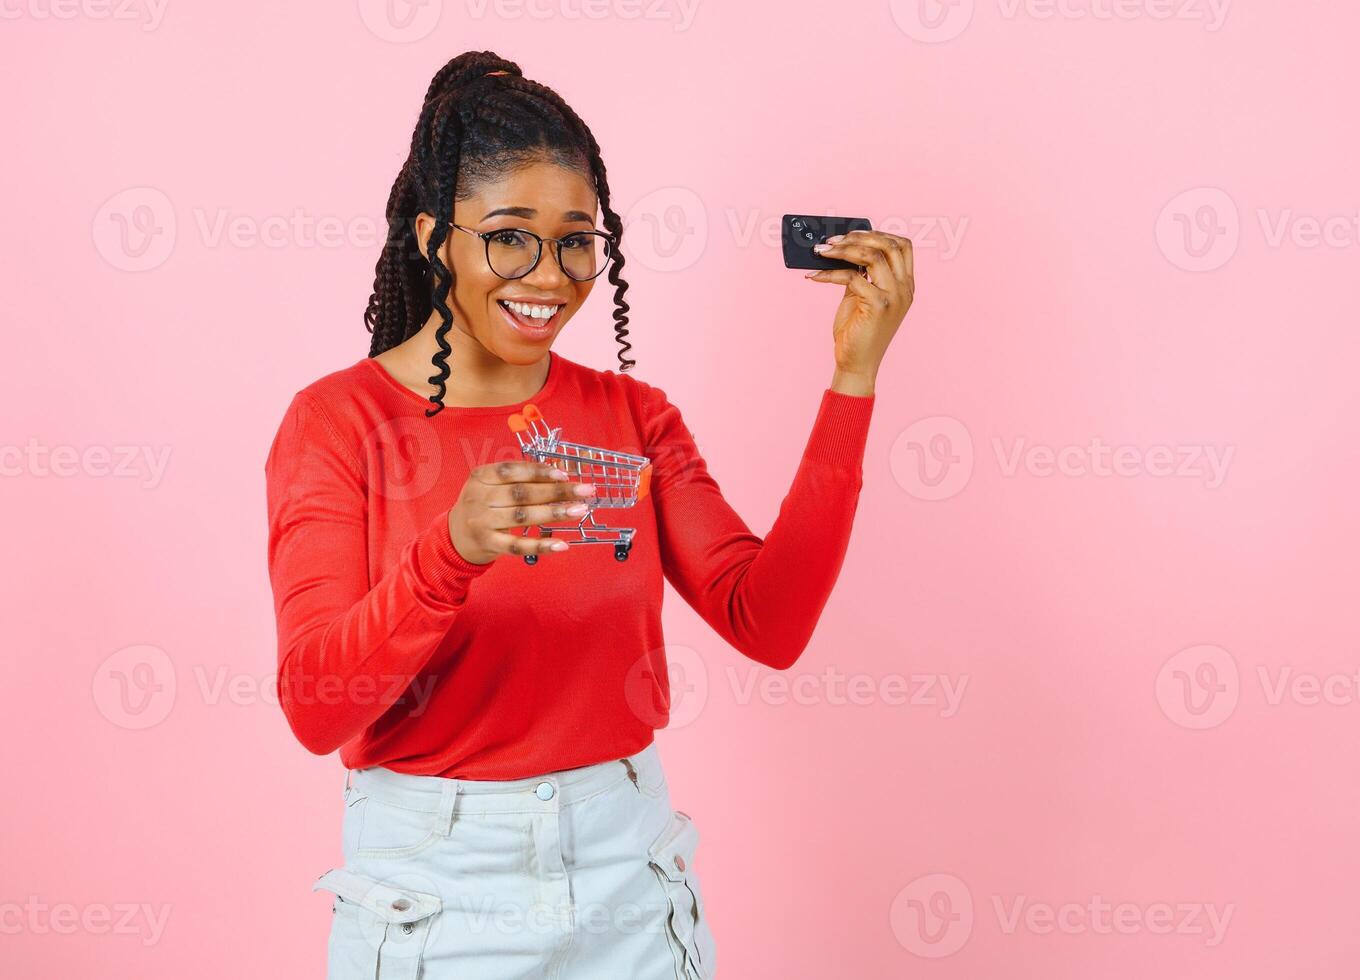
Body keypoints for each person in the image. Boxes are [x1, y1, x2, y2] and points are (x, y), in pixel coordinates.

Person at [263, 49, 914, 979]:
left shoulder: (632, 417)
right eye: (509, 235)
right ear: (430, 235)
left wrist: (854, 377)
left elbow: (766, 621)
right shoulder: (337, 423)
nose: (550, 272)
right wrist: (447, 552)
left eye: (576, 239)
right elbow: (314, 707)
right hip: (438, 891)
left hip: (628, 871)